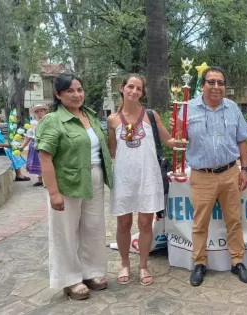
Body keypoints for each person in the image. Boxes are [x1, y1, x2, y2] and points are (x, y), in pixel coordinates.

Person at [171, 66, 247, 286]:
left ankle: (237, 262)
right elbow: (178, 139)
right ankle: (199, 263)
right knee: (200, 223)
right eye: (211, 82)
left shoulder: (233, 108)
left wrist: (244, 170)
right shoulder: (188, 109)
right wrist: (175, 130)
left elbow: (242, 141)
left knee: (234, 221)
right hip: (201, 175)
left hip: (229, 173)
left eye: (220, 82)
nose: (217, 87)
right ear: (202, 85)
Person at [35, 72, 113, 300]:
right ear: (58, 95)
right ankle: (70, 279)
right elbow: (45, 157)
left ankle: (92, 272)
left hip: (94, 177)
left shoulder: (88, 114)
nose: (76, 94)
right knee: (65, 232)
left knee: (93, 227)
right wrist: (53, 193)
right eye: (70, 90)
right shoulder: (52, 120)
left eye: (79, 90)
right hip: (66, 181)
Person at [107, 74, 177, 286]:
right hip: (124, 177)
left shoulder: (150, 115)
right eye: (130, 87)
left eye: (139, 88)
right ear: (122, 88)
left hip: (148, 176)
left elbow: (169, 141)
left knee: (146, 222)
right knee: (123, 223)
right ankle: (125, 263)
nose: (134, 91)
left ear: (142, 92)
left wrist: (184, 129)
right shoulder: (112, 120)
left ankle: (143, 265)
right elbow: (112, 151)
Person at [0, 112, 30, 181]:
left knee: (14, 150)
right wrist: (6, 145)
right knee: (10, 151)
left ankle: (18, 174)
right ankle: (18, 174)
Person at [19, 103, 49, 186]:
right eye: (37, 111)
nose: (40, 112)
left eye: (41, 110)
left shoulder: (49, 121)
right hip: (35, 145)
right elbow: (27, 137)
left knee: (48, 162)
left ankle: (48, 181)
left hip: (47, 145)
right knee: (38, 163)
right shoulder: (33, 124)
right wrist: (22, 146)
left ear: (45, 111)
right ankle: (40, 180)